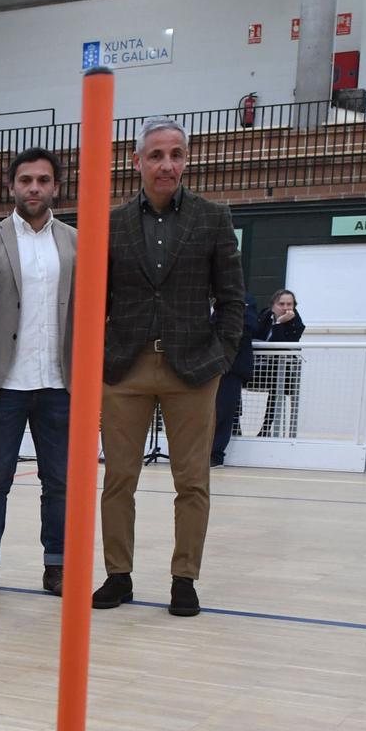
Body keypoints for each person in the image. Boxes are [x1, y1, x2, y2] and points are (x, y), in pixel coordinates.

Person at [95, 116, 246, 617]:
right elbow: (97, 300)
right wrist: (98, 357)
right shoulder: (111, 222)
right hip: (124, 368)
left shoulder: (213, 218)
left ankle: (185, 578)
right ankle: (119, 575)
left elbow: (232, 298)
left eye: (176, 154)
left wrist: (221, 356)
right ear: (136, 161)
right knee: (118, 479)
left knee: (193, 481)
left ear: (186, 159)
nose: (167, 164)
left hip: (193, 369)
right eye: (156, 155)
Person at [0, 147, 76, 597]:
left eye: (43, 180)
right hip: (2, 385)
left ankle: (57, 566)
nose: (34, 188)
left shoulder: (75, 242)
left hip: (59, 384)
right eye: (26, 180)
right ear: (12, 186)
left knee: (59, 483)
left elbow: (88, 314)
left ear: (55, 188)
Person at [253, 289, 305, 438]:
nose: (285, 307)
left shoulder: (297, 324)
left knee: (277, 380)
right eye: (281, 303)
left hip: (280, 371)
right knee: (234, 375)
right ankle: (235, 426)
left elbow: (280, 346)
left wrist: (278, 323)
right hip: (258, 366)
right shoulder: (264, 316)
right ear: (273, 305)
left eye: (289, 304)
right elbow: (253, 336)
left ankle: (266, 427)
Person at [212, 297, 256, 468]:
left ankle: (215, 455)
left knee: (224, 411)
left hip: (230, 366)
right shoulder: (198, 299)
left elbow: (248, 327)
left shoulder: (245, 301)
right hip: (201, 365)